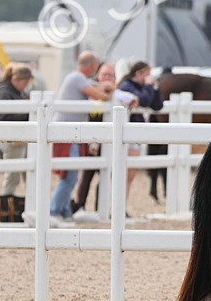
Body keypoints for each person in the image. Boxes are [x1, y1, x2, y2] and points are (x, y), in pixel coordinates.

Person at [50, 51, 116, 221]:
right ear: (92, 65)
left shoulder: (77, 78)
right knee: (70, 175)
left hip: (69, 133)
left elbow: (96, 88)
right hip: (66, 133)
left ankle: (64, 210)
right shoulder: (77, 78)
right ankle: (54, 210)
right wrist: (107, 92)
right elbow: (100, 96)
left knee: (71, 174)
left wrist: (104, 88)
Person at [71, 62, 137, 217]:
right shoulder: (90, 89)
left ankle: (103, 209)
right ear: (98, 76)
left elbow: (131, 98)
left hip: (111, 141)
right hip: (92, 138)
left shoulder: (118, 93)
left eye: (110, 75)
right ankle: (80, 205)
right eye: (104, 74)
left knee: (110, 176)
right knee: (88, 174)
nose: (107, 78)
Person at [117, 60, 164, 201]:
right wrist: (149, 86)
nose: (149, 77)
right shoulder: (127, 86)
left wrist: (155, 88)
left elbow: (157, 105)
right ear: (138, 73)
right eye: (147, 74)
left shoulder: (142, 87)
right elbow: (143, 100)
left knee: (130, 173)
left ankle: (122, 205)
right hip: (125, 134)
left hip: (133, 134)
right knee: (123, 173)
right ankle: (115, 205)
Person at [0, 63, 34, 197]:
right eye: (25, 82)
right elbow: (4, 116)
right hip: (10, 137)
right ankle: (5, 206)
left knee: (22, 172)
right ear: (16, 79)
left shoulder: (15, 92)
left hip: (18, 137)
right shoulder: (4, 92)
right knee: (12, 174)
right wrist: (27, 111)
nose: (26, 85)